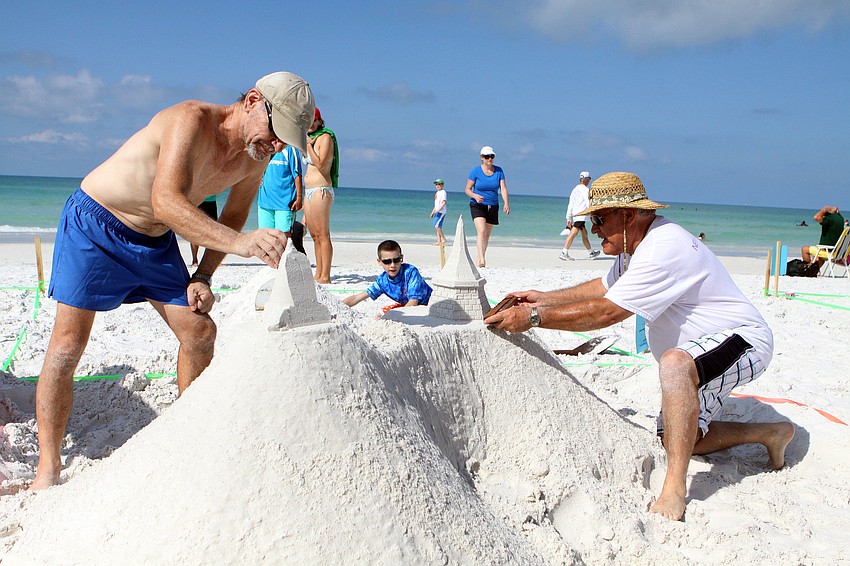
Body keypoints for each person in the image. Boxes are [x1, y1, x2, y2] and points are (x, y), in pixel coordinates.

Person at [31, 71, 315, 490]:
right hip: (96, 223)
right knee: (68, 343)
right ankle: (48, 467)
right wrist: (240, 244)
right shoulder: (191, 120)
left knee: (200, 331)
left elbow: (235, 215)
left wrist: (204, 275)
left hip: (155, 239)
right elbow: (166, 200)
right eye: (276, 132)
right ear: (253, 101)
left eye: (285, 141)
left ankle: (187, 443)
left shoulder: (255, 156)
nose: (276, 145)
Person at [484, 171, 795, 521]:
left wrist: (535, 318)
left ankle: (675, 488)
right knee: (678, 438)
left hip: (744, 339)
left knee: (675, 364)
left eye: (600, 219)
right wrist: (544, 298)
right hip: (700, 351)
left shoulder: (663, 247)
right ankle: (771, 433)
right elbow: (605, 287)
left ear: (627, 215)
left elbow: (608, 312)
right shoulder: (635, 246)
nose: (595, 228)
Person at [303, 107, 339, 284]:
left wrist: (309, 145)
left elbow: (321, 164)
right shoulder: (309, 138)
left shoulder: (325, 138)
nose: (310, 124)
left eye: (313, 120)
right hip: (309, 191)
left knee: (323, 234)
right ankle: (318, 272)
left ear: (319, 121)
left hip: (321, 189)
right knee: (314, 234)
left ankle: (326, 275)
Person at [342, 240, 432, 308]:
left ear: (402, 258)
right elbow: (357, 298)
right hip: (407, 305)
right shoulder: (383, 281)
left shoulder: (410, 272)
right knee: (381, 314)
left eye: (396, 260)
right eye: (387, 262)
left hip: (428, 306)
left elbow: (413, 303)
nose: (392, 265)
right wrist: (339, 307)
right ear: (379, 262)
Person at [464, 146, 510, 268]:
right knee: (481, 231)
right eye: (487, 156)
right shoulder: (475, 172)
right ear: (481, 158)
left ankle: (479, 257)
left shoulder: (499, 171)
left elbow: (503, 188)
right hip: (477, 205)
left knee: (487, 235)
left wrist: (506, 203)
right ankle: (482, 259)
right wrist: (475, 195)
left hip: (493, 205)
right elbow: (467, 189)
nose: (489, 159)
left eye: (491, 156)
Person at [257, 144, 304, 238]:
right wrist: (257, 178)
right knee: (265, 237)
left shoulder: (291, 149)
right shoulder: (265, 147)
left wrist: (299, 197)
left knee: (283, 236)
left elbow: (297, 174)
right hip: (264, 201)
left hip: (285, 203)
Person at [560, 171, 600, 260]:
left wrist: (569, 217)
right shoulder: (585, 190)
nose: (589, 181)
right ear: (586, 179)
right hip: (581, 215)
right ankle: (564, 252)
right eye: (589, 179)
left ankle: (591, 252)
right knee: (573, 233)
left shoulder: (574, 189)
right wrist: (593, 212)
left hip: (576, 215)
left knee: (584, 234)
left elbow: (570, 204)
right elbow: (588, 202)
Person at [190, 195, 218, 266]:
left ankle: (211, 259)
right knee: (195, 231)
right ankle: (194, 259)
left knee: (213, 232)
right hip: (198, 201)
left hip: (211, 201)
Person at [430, 178, 448, 245]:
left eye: (439, 184)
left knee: (436, 226)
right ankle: (439, 241)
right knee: (438, 226)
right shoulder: (437, 193)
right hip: (437, 212)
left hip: (441, 212)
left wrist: (438, 210)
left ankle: (443, 239)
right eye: (436, 184)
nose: (437, 186)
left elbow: (444, 202)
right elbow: (436, 204)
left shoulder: (443, 192)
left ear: (442, 185)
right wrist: (433, 212)